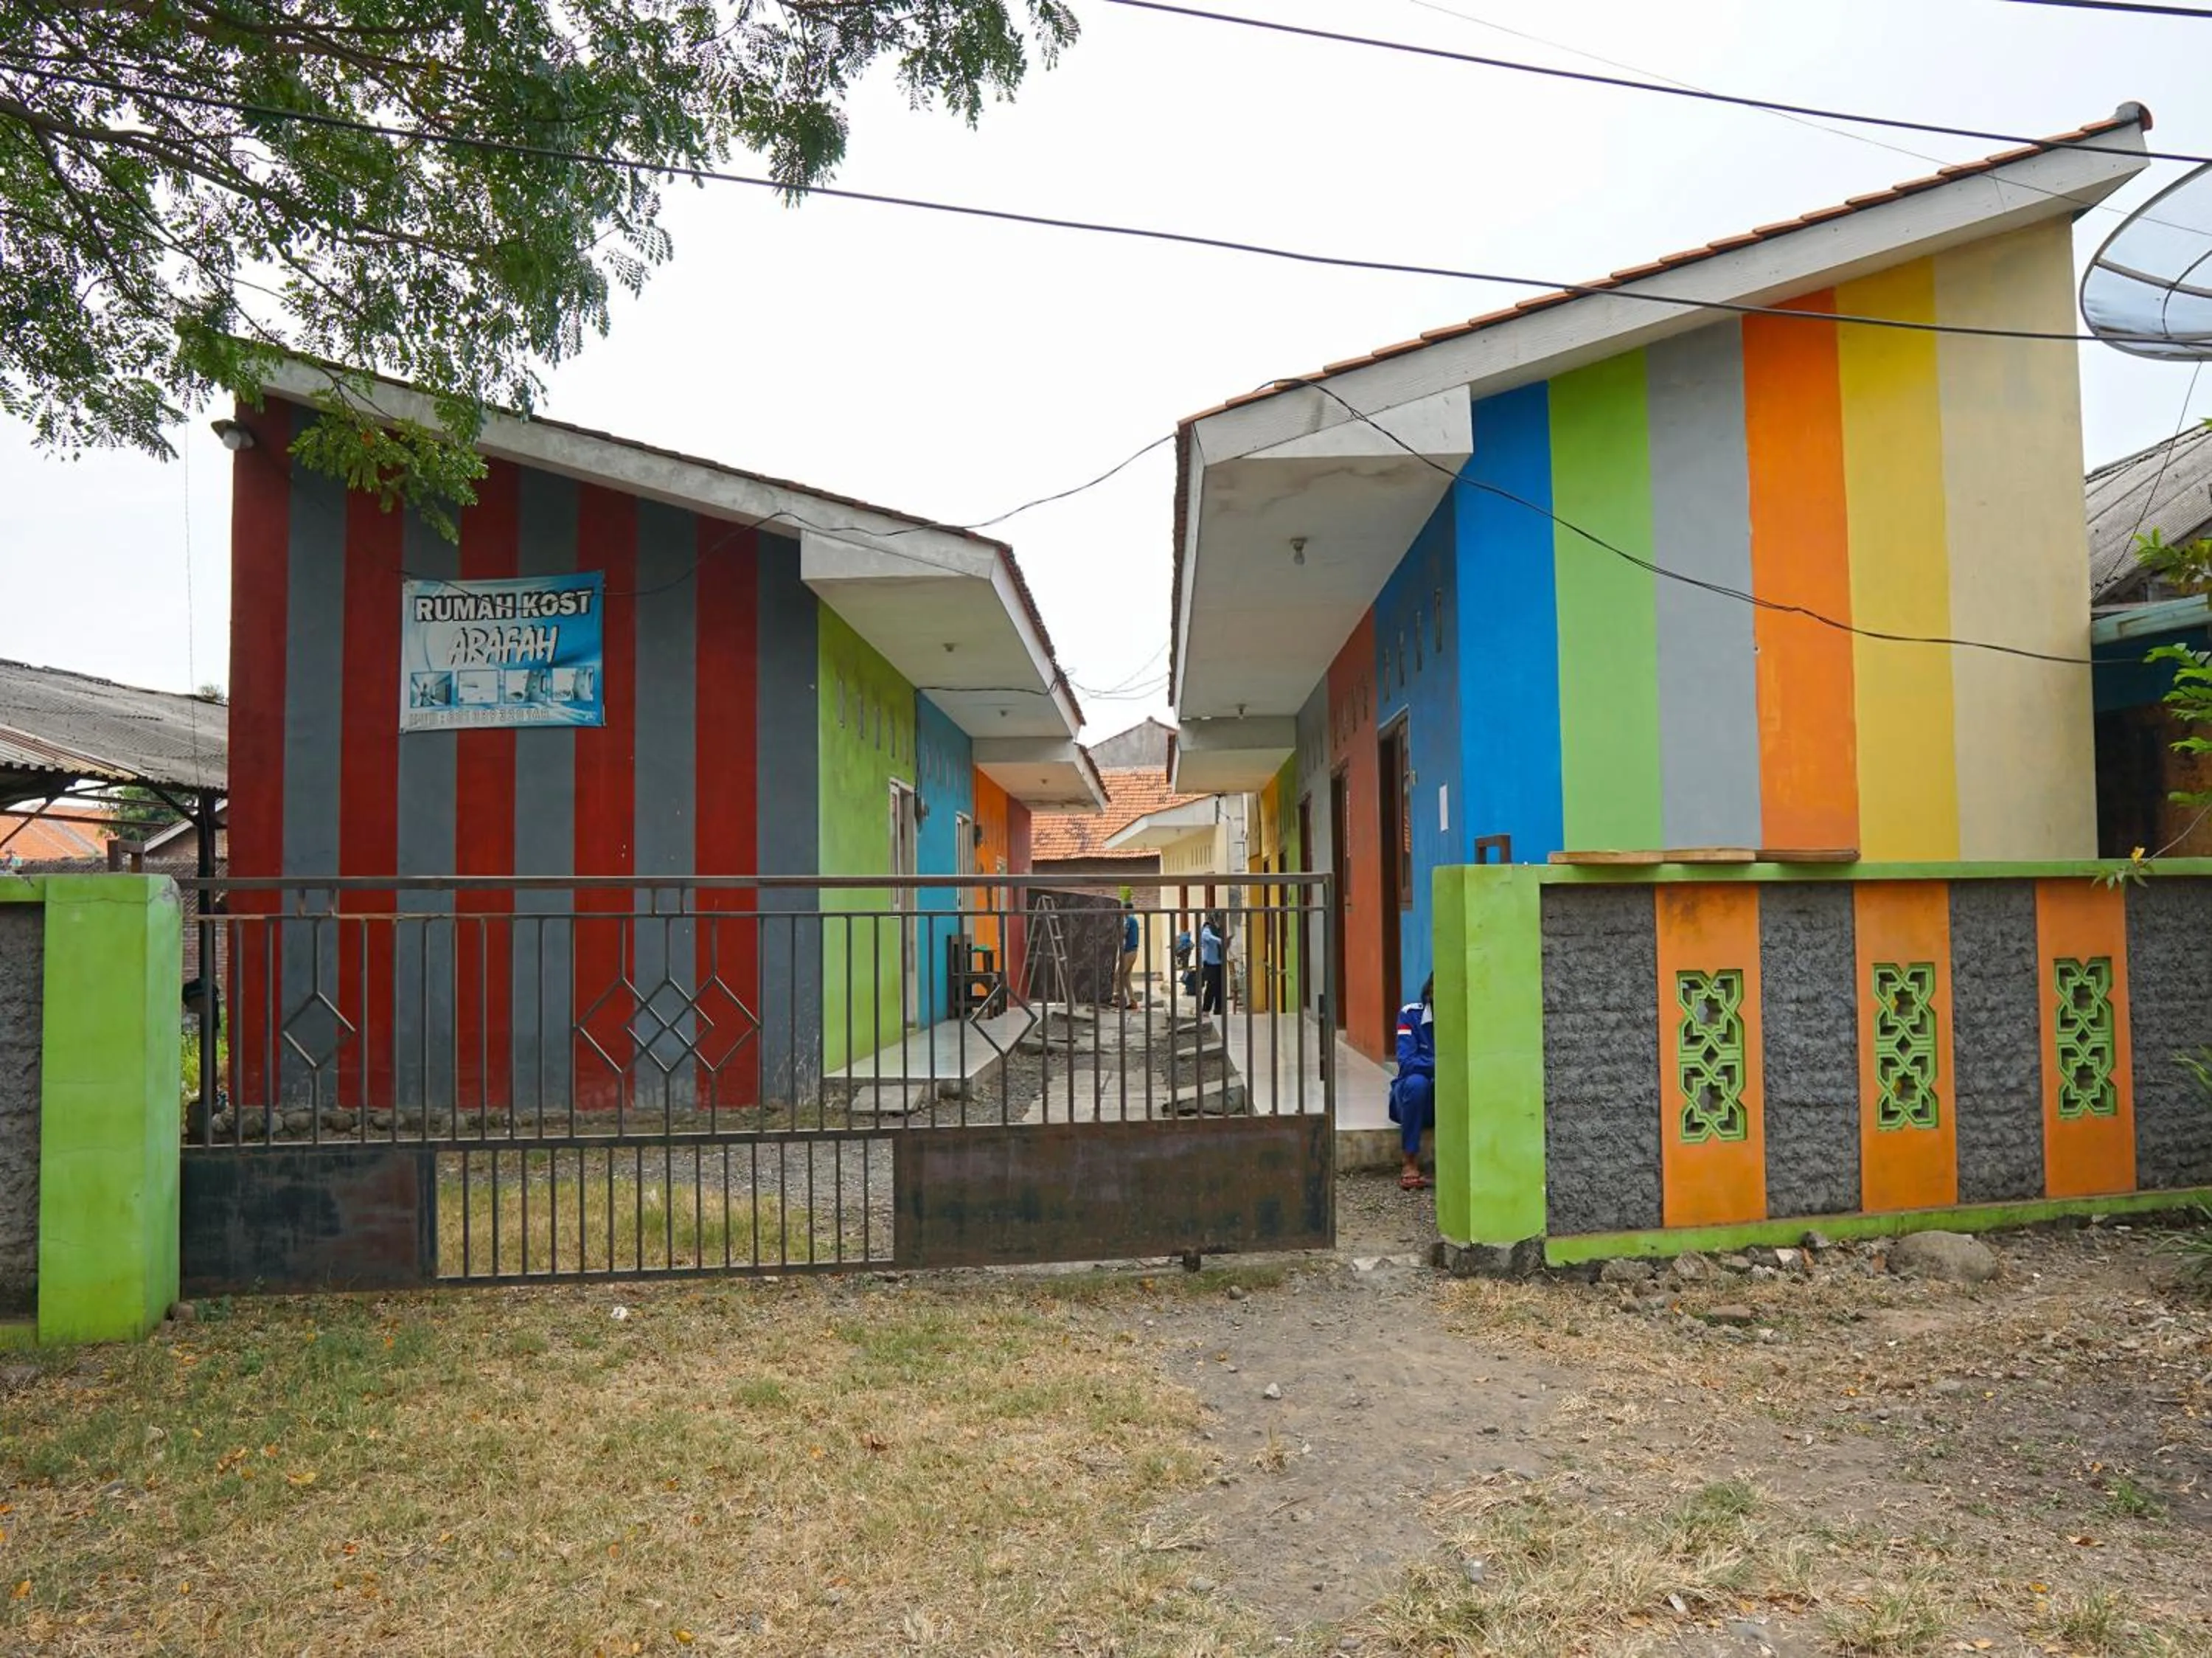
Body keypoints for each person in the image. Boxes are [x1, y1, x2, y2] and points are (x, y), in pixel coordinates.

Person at [1391, 974, 1436, 1191]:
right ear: (1430, 992)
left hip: (1442, 1100)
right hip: (1412, 1099)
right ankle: (1409, 1160)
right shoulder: (1410, 1015)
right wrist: (1444, 1063)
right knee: (1417, 1083)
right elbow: (1407, 1062)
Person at [1115, 900, 1141, 1010]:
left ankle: (1121, 1001)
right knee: (1126, 978)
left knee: (1117, 976)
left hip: (1130, 952)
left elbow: (1124, 933)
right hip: (1132, 951)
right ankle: (1133, 1002)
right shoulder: (1133, 919)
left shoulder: (1130, 919)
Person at [1198, 914, 1226, 1016]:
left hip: (1220, 962)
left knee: (1220, 987)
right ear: (1215, 920)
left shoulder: (1219, 930)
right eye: (1220, 920)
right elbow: (1207, 937)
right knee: (1211, 987)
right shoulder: (1207, 929)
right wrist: (1221, 941)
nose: (1222, 922)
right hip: (1210, 963)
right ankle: (1206, 1010)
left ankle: (1219, 1010)